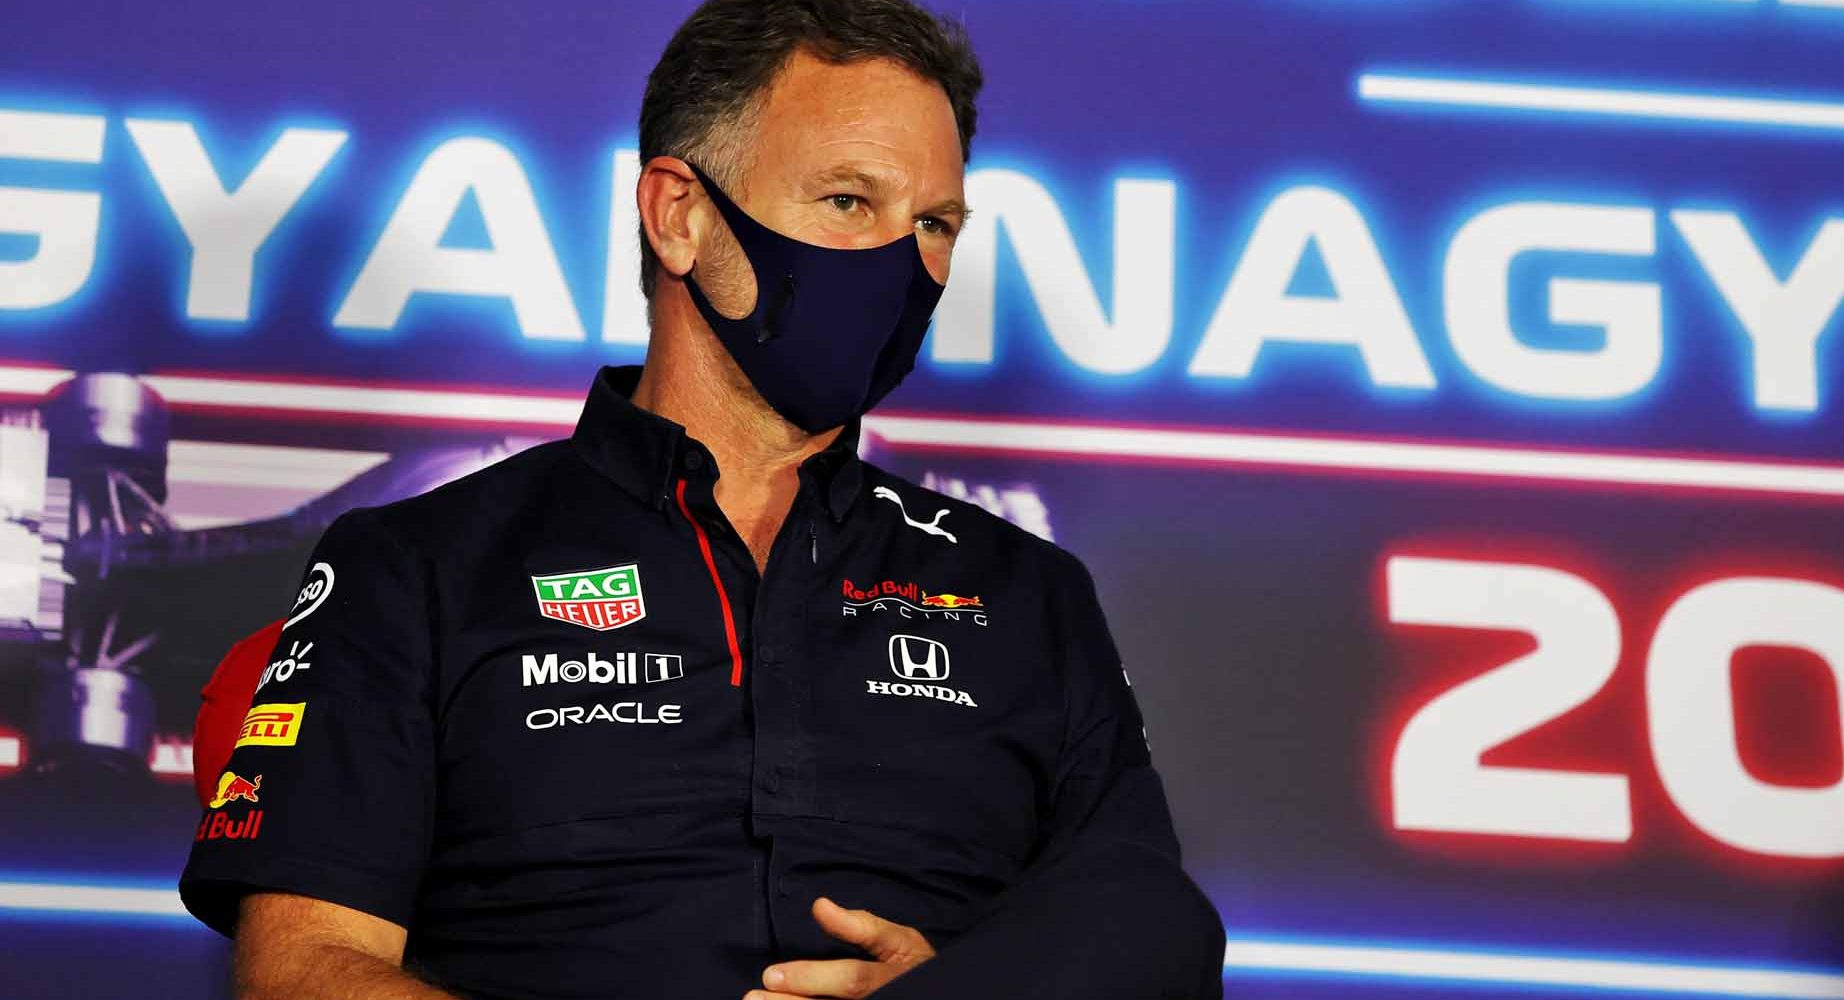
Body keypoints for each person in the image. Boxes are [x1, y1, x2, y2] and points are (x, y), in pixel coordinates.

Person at [178, 1, 1226, 997]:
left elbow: (1143, 936)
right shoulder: (416, 565)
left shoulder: (1027, 591)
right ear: (680, 217)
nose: (906, 264)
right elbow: (302, 969)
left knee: (1153, 905)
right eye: (850, 202)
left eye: (937, 222)